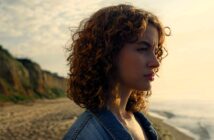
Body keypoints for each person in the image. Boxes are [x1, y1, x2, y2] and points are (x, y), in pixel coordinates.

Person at [63, 4, 169, 140]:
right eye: (143, 49)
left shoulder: (138, 121)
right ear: (108, 52)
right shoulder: (87, 135)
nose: (156, 62)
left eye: (155, 51)